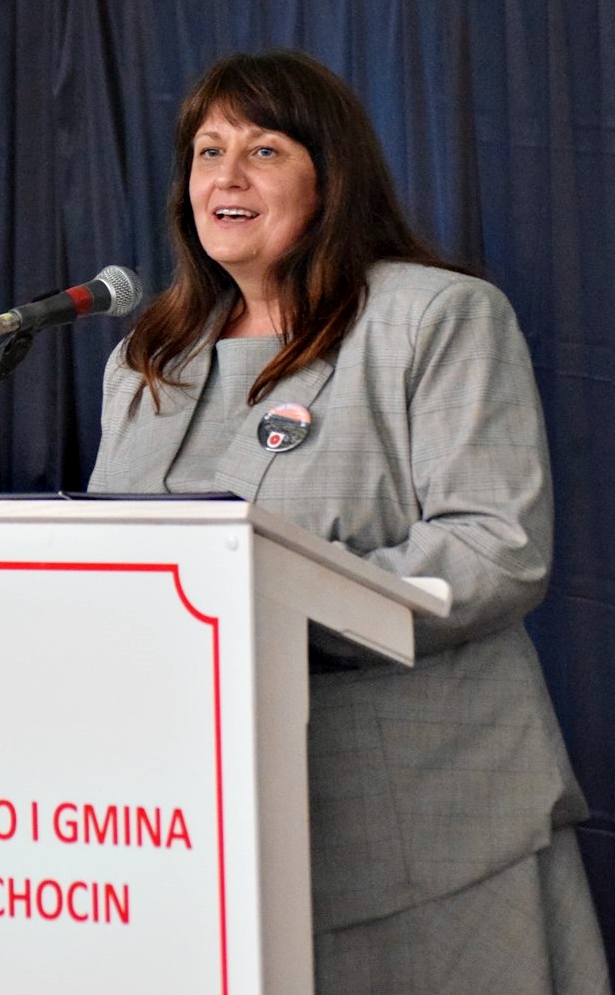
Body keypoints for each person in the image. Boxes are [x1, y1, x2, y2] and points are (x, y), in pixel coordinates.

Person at [88, 50, 611, 994]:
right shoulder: (149, 355)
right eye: (208, 151)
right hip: (197, 815)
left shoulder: (434, 317)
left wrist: (271, 610)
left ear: (330, 179)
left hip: (417, 814)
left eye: (263, 150)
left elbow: (493, 547)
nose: (226, 177)